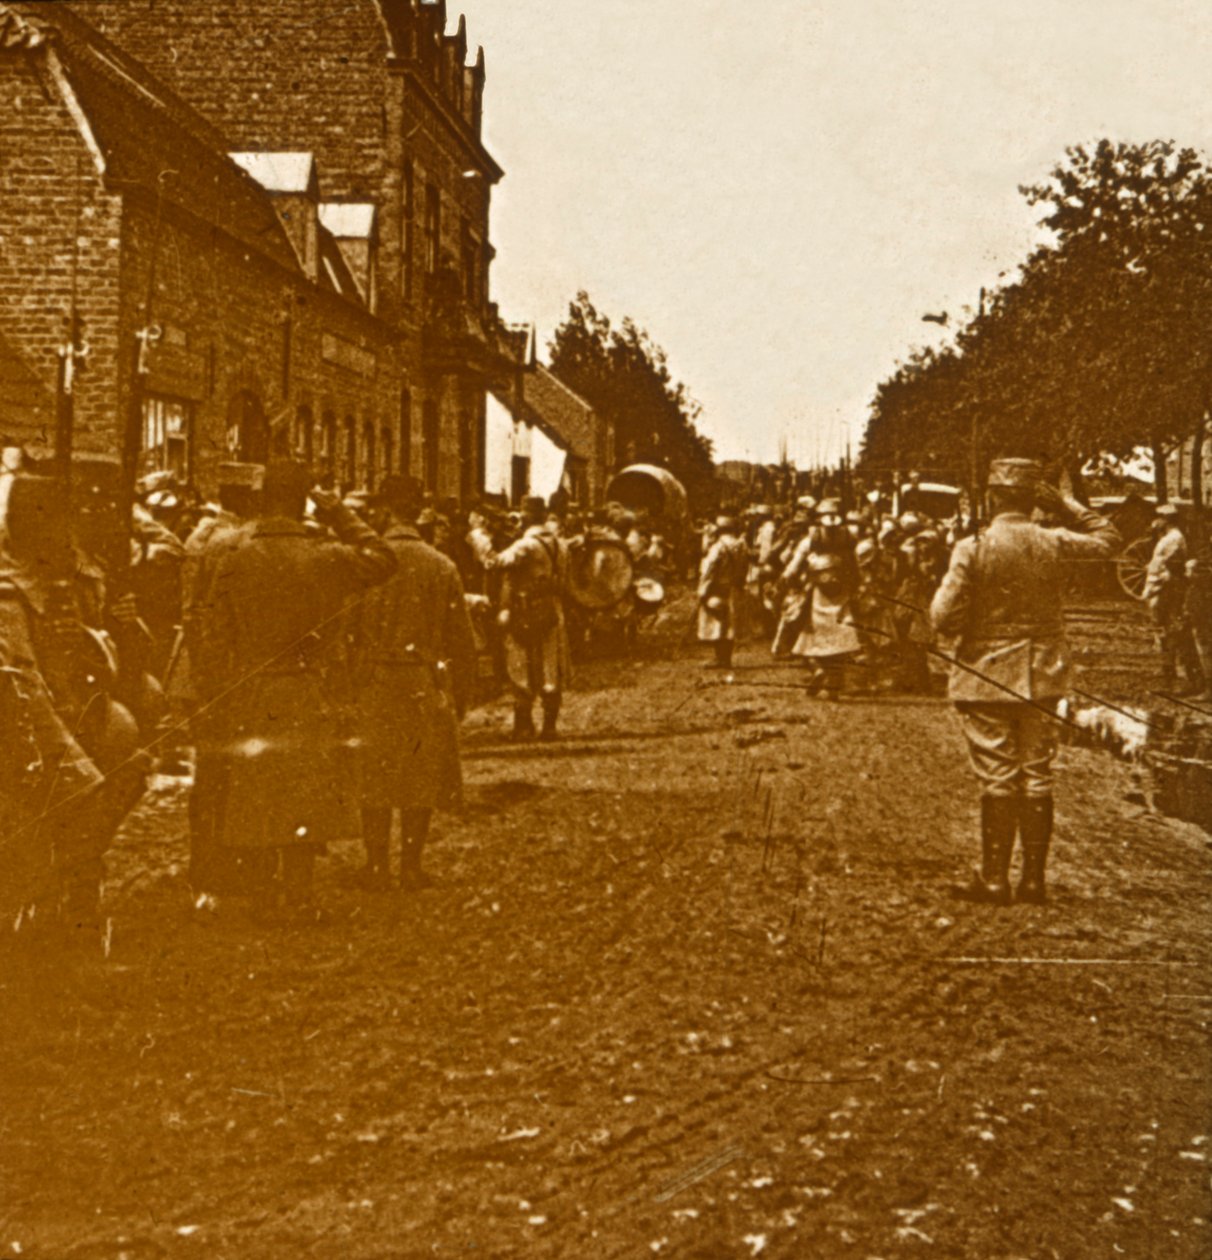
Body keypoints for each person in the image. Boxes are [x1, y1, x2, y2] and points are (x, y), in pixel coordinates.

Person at [192, 461, 397, 924]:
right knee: (304, 793)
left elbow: (214, 635)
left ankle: (265, 897)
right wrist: (340, 511)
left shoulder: (232, 556)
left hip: (249, 689)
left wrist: (217, 694)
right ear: (304, 500)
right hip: (309, 688)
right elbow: (384, 558)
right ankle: (301, 897)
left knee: (258, 793)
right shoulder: (326, 555)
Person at [931, 459, 1119, 906]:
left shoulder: (972, 547)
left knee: (998, 775)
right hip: (1045, 673)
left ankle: (994, 879)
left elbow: (942, 616)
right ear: (1035, 499)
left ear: (993, 497)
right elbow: (1110, 541)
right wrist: (1070, 504)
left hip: (987, 673)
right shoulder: (1054, 540)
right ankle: (1033, 881)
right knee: (1037, 774)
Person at [352, 475, 476, 891]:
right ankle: (410, 865)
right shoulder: (441, 565)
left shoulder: (365, 564)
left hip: (372, 681)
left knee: (375, 776)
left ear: (386, 510)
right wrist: (462, 691)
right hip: (422, 680)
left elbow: (345, 629)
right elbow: (460, 637)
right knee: (419, 776)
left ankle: (375, 866)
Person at [496, 495, 571, 741]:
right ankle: (550, 726)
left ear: (526, 516)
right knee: (551, 664)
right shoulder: (561, 544)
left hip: (526, 608)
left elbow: (496, 562)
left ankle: (524, 726)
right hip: (553, 608)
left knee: (522, 662)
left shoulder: (525, 546)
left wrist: (480, 539)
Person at [1143, 504, 1201, 694]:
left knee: (1172, 632)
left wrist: (1149, 590)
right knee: (1166, 632)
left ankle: (1181, 678)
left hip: (1169, 590)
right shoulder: (1168, 538)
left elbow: (1158, 567)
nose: (1155, 522)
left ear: (1166, 520)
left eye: (1159, 518)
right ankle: (1170, 676)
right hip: (1167, 587)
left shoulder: (1172, 539)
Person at [697, 514, 749, 669]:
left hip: (717, 589)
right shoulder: (741, 545)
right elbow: (745, 567)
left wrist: (702, 590)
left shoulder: (718, 547)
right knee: (730, 624)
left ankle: (720, 658)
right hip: (735, 588)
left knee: (717, 623)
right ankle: (726, 659)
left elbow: (710, 570)